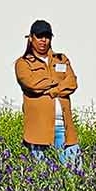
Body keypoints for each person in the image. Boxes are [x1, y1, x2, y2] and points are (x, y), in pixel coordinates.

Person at [13, 19, 80, 168]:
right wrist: (58, 81)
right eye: (39, 36)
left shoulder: (61, 59)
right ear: (31, 38)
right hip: (38, 131)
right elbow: (32, 84)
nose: (44, 40)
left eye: (47, 36)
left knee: (74, 175)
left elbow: (72, 83)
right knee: (42, 180)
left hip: (64, 128)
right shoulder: (23, 63)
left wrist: (52, 90)